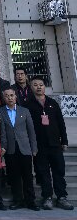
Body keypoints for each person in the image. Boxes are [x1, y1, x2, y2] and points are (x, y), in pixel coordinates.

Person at [26, 78, 73, 210]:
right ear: (31, 88)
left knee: (59, 171)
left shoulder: (53, 103)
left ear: (44, 87)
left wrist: (64, 141)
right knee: (43, 172)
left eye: (41, 85)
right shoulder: (28, 105)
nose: (38, 87)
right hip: (39, 145)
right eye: (35, 85)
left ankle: (61, 197)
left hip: (55, 144)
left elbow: (61, 123)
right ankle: (47, 197)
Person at [0, 88, 38, 211]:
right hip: (10, 149)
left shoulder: (24, 111)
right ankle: (18, 200)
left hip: (24, 148)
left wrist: (34, 148)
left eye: (11, 95)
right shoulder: (1, 112)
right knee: (14, 177)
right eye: (7, 96)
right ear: (3, 98)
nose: (10, 98)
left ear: (15, 97)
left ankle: (30, 201)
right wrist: (3, 147)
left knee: (27, 176)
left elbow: (31, 131)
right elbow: (2, 132)